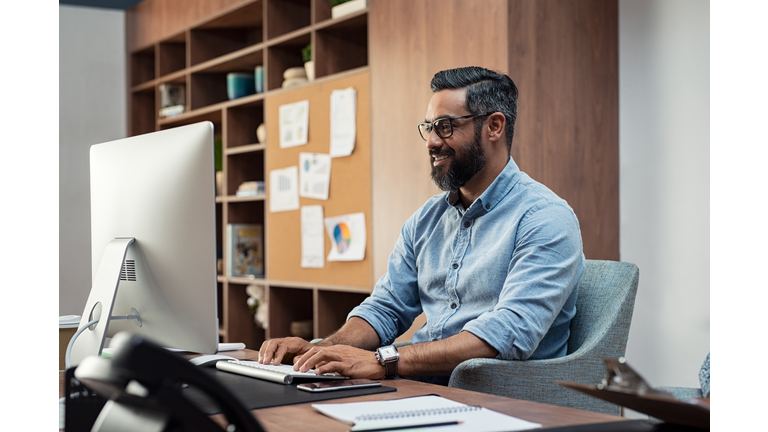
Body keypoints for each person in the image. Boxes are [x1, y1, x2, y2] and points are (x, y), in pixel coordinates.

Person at [258, 66, 585, 385]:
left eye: (444, 126)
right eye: (428, 127)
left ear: (494, 126)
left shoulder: (545, 217)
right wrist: (322, 350)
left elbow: (508, 332)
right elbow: (386, 308)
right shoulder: (426, 220)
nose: (431, 142)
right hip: (421, 386)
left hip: (502, 401)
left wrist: (383, 361)